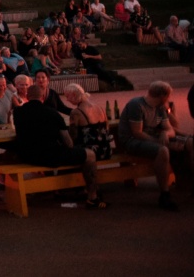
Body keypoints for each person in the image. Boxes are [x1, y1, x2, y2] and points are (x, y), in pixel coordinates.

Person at [13, 85, 105, 209]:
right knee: (89, 155)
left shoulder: (18, 113)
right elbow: (69, 143)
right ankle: (92, 196)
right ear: (43, 97)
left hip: (27, 155)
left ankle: (67, 189)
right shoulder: (52, 113)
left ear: (27, 97)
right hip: (50, 156)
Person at [118, 81, 194, 211]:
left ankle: (188, 183)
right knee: (162, 150)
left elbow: (170, 128)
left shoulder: (160, 107)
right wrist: (159, 141)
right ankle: (164, 194)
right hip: (132, 141)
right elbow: (137, 133)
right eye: (168, 96)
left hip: (154, 137)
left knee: (190, 143)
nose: (169, 99)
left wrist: (166, 133)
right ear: (162, 95)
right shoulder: (136, 105)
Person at [64, 83, 112, 161]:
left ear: (74, 95)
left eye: (67, 96)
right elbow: (107, 128)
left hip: (90, 153)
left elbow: (72, 137)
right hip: (106, 150)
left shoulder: (76, 112)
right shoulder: (100, 107)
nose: (67, 99)